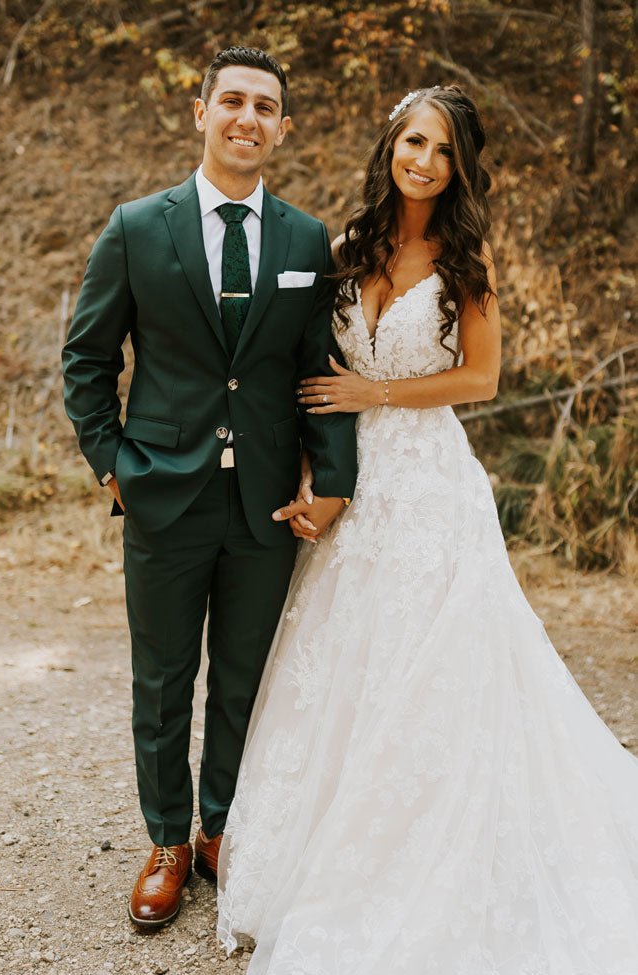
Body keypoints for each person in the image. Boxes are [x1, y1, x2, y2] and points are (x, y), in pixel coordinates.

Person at [217, 85, 638, 973]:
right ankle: (316, 849)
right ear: (391, 144)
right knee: (343, 668)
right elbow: (311, 367)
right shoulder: (344, 247)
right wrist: (311, 467)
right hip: (349, 484)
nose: (424, 161)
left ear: (460, 167)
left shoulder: (467, 258)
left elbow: (481, 379)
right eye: (414, 142)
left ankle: (422, 856)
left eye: (444, 151)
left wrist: (377, 393)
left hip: (431, 491)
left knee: (429, 674)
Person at [62, 46, 357, 929]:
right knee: (162, 678)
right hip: (162, 491)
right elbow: (86, 359)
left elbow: (320, 370)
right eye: (232, 101)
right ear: (200, 113)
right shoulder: (135, 227)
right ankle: (164, 839)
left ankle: (222, 828)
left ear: (283, 127)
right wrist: (114, 464)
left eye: (265, 107)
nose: (247, 119)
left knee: (242, 679)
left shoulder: (307, 239)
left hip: (264, 502)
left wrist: (332, 478)